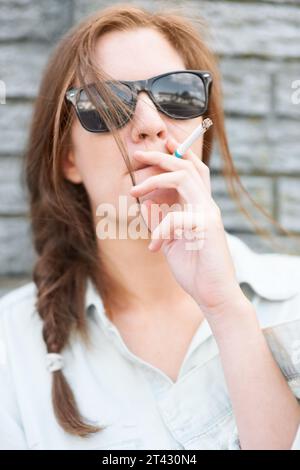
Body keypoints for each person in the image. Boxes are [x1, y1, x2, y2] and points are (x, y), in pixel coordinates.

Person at [0, 4, 299, 450]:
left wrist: (226, 310)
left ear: (202, 129)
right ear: (68, 158)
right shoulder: (11, 348)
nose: (150, 126)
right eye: (108, 104)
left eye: (178, 96)